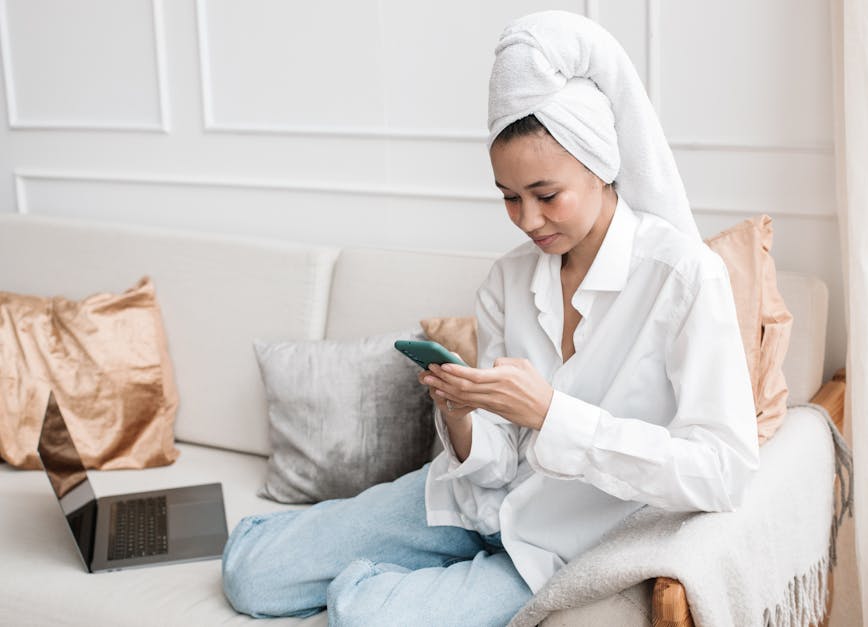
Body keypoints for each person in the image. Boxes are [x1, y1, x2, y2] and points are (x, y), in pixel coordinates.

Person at [221, 10, 759, 626]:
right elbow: (498, 458)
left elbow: (723, 471)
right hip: (471, 501)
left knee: (363, 616)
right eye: (509, 197)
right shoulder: (508, 278)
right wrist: (460, 413)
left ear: (601, 166)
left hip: (555, 544)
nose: (528, 220)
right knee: (252, 576)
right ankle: (372, 565)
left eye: (546, 194)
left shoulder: (684, 277)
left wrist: (551, 415)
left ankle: (382, 584)